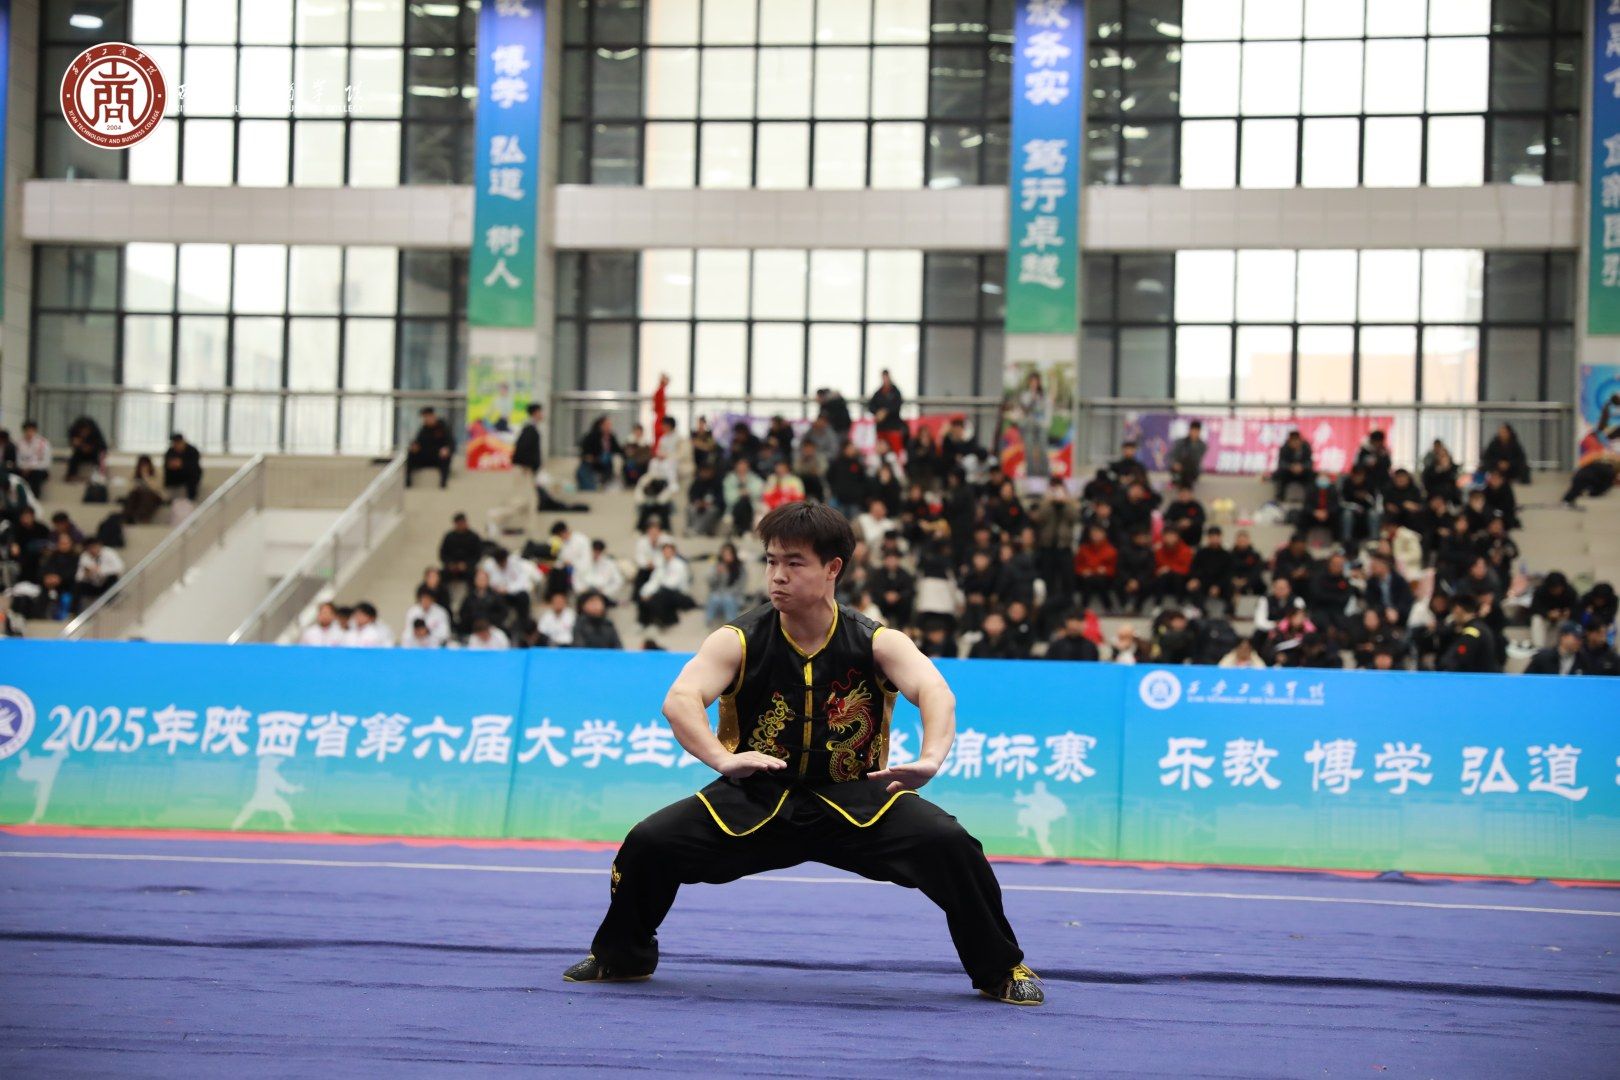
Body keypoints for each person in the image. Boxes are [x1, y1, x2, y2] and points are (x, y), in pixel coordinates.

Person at [563, 500, 1042, 1001]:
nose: (778, 575)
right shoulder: (737, 639)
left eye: (794, 563)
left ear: (833, 568)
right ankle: (622, 957)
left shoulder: (877, 641)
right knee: (649, 843)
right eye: (771, 561)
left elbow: (935, 692)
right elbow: (680, 700)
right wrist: (723, 760)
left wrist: (931, 759)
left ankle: (1001, 969)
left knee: (952, 845)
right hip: (756, 799)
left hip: (857, 800)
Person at [637, 540, 694, 629]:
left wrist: (653, 593)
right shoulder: (661, 565)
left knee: (660, 596)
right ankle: (643, 623)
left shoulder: (679, 565)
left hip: (679, 594)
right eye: (665, 551)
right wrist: (645, 592)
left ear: (674, 552)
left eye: (669, 551)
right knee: (643, 597)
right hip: (663, 591)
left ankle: (663, 623)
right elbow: (654, 581)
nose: (666, 553)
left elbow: (672, 584)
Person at [1436, 594, 1498, 673]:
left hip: (1478, 678)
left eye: (1452, 611)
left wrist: (1444, 666)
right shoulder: (1480, 626)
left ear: (1458, 609)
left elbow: (1459, 656)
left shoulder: (1472, 632)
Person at [405, 407, 455, 489]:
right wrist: (414, 446)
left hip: (438, 457)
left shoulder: (443, 428)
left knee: (445, 457)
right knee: (411, 454)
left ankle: (443, 483)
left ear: (433, 416)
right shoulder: (424, 429)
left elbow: (451, 443)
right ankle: (408, 481)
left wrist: (447, 449)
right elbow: (417, 441)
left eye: (428, 416)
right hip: (425, 457)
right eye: (424, 417)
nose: (426, 419)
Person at [73, 537, 124, 613]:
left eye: (95, 547)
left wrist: (100, 570)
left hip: (106, 583)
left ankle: (109, 602)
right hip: (93, 584)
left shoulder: (109, 553)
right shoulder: (84, 556)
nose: (93, 550)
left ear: (100, 546)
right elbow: (78, 577)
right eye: (90, 548)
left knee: (113, 577)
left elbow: (119, 568)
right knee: (77, 586)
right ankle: (75, 611)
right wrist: (86, 574)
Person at [705, 542, 749, 626]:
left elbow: (740, 586)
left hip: (734, 596)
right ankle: (709, 622)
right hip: (719, 594)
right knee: (714, 598)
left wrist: (726, 593)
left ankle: (732, 624)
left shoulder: (740, 568)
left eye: (729, 554)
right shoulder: (717, 566)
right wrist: (718, 574)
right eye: (724, 554)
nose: (727, 556)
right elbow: (711, 584)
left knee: (728, 599)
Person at [1016, 372, 1049, 479]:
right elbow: (1025, 410)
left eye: (1036, 381)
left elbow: (1046, 410)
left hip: (1041, 425)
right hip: (1028, 425)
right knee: (1029, 451)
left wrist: (1046, 424)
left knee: (1043, 450)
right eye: (1032, 381)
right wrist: (1032, 399)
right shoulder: (1025, 395)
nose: (1034, 383)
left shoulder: (1043, 395)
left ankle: (1045, 475)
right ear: (1029, 382)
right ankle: (1030, 475)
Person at [867, 369, 907, 457]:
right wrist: (877, 413)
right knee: (880, 451)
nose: (885, 379)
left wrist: (886, 412)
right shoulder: (878, 392)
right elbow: (871, 406)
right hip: (881, 427)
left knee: (896, 451)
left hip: (893, 427)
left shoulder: (896, 392)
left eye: (886, 377)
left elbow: (897, 405)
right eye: (883, 377)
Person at [438, 513, 483, 587]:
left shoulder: (474, 537)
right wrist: (450, 564)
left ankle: (472, 594)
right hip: (451, 567)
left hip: (468, 568)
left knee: (476, 576)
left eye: (462, 523)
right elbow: (443, 554)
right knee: (440, 576)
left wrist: (466, 564)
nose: (461, 525)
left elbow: (478, 555)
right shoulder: (449, 537)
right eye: (458, 524)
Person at [723, 458, 764, 537]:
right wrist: (740, 493)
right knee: (742, 504)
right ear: (736, 466)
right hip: (734, 507)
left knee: (746, 503)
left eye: (744, 465)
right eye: (740, 465)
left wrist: (747, 491)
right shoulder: (729, 479)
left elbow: (758, 491)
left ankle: (744, 530)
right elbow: (729, 498)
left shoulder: (754, 478)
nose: (742, 467)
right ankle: (741, 530)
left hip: (752, 506)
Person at [1271, 430, 1314, 501]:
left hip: (1303, 472)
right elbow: (1281, 463)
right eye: (1292, 441)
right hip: (1289, 472)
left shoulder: (1306, 447)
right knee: (1280, 474)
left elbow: (1310, 462)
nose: (1295, 444)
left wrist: (1302, 467)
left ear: (1300, 441)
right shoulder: (1284, 448)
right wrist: (1291, 467)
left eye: (1296, 441)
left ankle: (1310, 498)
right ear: (1289, 442)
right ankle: (1280, 498)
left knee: (1311, 475)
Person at [65, 416, 107, 482]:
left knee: (99, 457)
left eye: (86, 430)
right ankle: (71, 475)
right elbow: (73, 444)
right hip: (81, 453)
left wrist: (91, 447)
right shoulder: (75, 433)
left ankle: (98, 475)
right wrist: (77, 444)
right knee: (74, 458)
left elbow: (103, 447)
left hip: (94, 453)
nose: (84, 432)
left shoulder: (95, 433)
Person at [163, 432, 203, 502]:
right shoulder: (170, 451)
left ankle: (191, 498)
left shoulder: (192, 451)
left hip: (189, 479)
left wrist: (182, 464)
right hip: (174, 479)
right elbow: (167, 465)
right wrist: (173, 465)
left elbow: (194, 466)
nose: (176, 445)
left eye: (178, 443)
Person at [1167, 420, 1207, 489]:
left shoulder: (1202, 445)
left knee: (1191, 470)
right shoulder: (1180, 442)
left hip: (1192, 468)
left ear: (1199, 432)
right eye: (1193, 431)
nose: (1194, 433)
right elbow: (1171, 455)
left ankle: (1185, 481)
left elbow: (1197, 459)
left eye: (1196, 431)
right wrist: (1174, 463)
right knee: (1176, 468)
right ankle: (1178, 479)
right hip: (1179, 466)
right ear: (1189, 430)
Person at [17, 421, 50, 499]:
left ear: (35, 431)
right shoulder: (18, 443)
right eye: (27, 430)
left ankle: (35, 497)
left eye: (31, 430)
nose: (29, 433)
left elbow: (45, 462)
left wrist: (31, 467)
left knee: (36, 474)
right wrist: (24, 467)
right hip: (23, 468)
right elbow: (17, 459)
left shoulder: (43, 442)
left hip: (38, 469)